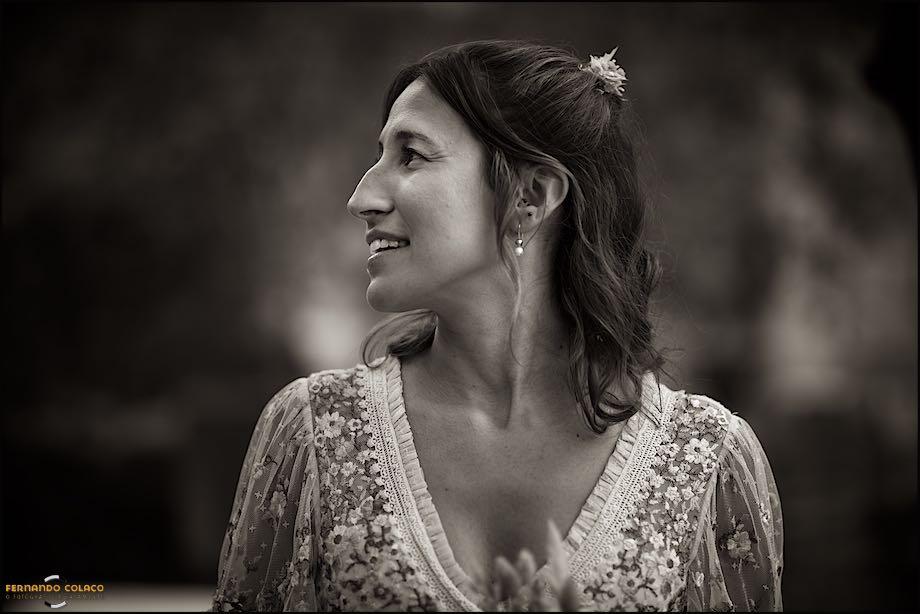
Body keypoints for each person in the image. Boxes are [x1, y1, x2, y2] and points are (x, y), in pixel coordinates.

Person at [209, 39, 783, 612]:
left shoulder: (703, 462)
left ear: (530, 197)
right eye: (379, 155)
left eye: (411, 156)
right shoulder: (315, 435)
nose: (361, 198)